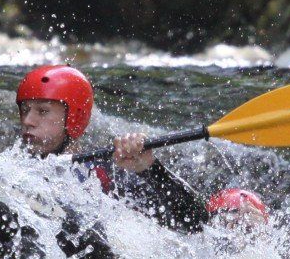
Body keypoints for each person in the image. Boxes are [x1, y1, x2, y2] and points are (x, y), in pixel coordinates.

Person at [15, 65, 211, 233]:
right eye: (25, 110)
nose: (28, 121)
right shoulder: (11, 170)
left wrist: (150, 168)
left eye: (42, 111)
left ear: (74, 118)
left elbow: (196, 224)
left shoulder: (107, 175)